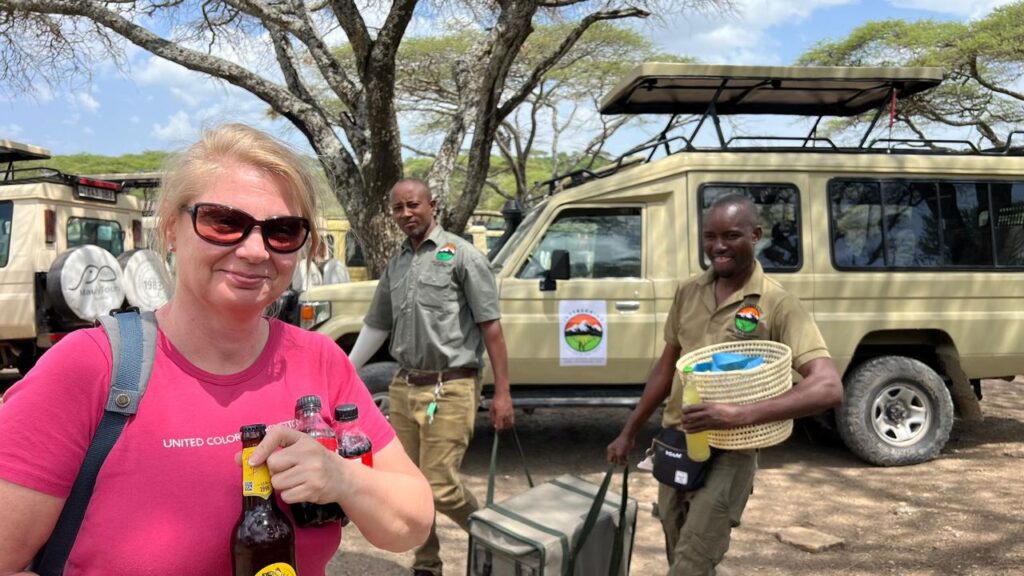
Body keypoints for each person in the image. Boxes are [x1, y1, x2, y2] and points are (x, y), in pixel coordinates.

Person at [0, 124, 433, 575]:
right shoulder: (88, 367)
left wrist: (342, 478)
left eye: (282, 230)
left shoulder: (320, 360)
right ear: (171, 229)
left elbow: (411, 524)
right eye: (224, 222)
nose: (253, 250)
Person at [606, 194, 843, 576]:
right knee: (678, 542)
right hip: (678, 441)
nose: (718, 246)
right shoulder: (688, 291)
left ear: (756, 235)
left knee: (691, 561)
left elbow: (828, 387)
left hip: (732, 451)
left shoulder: (778, 303)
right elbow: (666, 369)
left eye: (731, 235)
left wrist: (739, 414)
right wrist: (629, 431)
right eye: (709, 236)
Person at [347, 178, 514, 576]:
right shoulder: (397, 262)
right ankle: (427, 563)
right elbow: (377, 325)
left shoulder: (462, 256)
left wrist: (503, 393)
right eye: (398, 208)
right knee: (410, 485)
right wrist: (345, 370)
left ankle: (502, 542)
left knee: (439, 486)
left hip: (451, 385)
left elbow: (491, 327)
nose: (406, 214)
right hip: (404, 386)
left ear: (432, 204)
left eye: (413, 205)